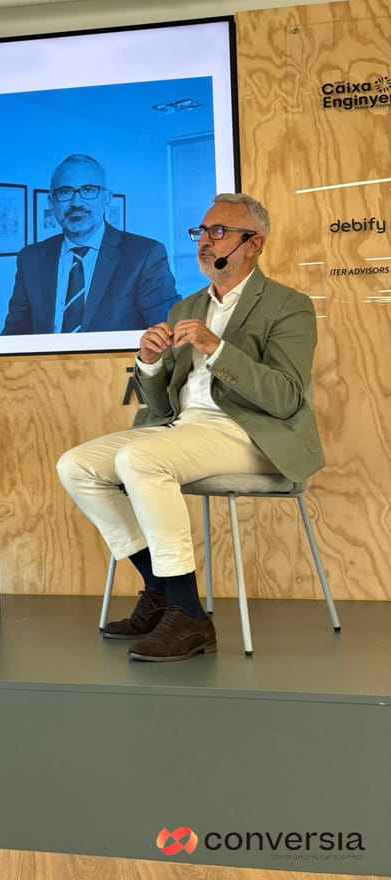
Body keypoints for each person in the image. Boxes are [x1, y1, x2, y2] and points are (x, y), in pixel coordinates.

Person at [57, 193, 323, 661]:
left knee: (139, 459)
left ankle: (189, 615)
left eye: (219, 232)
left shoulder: (288, 305)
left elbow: (286, 397)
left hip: (249, 432)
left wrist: (217, 349)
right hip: (183, 427)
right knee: (76, 465)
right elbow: (161, 405)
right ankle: (161, 589)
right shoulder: (186, 307)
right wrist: (148, 362)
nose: (205, 241)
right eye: (201, 231)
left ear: (254, 243)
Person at [1, 154, 179, 335]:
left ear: (106, 198)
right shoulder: (31, 259)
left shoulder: (145, 256)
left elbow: (168, 335)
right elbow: (14, 336)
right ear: (51, 203)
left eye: (88, 190)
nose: (76, 202)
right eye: (65, 192)